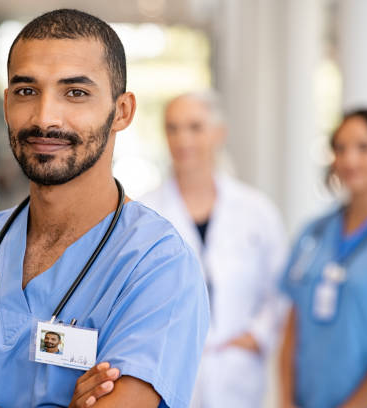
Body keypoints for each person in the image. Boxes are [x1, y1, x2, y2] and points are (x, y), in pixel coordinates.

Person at [0, 9, 209, 408]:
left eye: (75, 93)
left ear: (122, 112)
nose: (44, 117)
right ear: (6, 104)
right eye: (26, 91)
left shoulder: (158, 265)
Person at [140, 92, 287, 408]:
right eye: (173, 128)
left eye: (195, 127)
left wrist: (256, 337)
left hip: (238, 375)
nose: (183, 139)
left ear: (219, 133)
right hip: (169, 374)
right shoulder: (144, 213)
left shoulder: (256, 210)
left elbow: (278, 288)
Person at [279, 109, 367, 408]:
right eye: (340, 148)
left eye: (363, 148)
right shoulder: (313, 232)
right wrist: (286, 399)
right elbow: (293, 323)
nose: (349, 160)